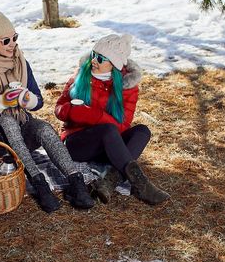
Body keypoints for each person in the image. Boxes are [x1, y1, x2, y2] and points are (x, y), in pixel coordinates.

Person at [0, 9, 94, 212]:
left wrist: (28, 100)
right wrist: (0, 102)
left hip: (21, 133)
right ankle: (40, 186)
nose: (12, 44)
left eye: (14, 37)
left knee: (42, 127)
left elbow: (39, 102)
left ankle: (77, 184)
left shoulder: (21, 62)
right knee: (7, 122)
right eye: (5, 40)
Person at [55, 33, 169, 205]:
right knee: (107, 129)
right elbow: (59, 109)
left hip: (109, 145)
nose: (94, 60)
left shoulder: (127, 87)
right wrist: (76, 111)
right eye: (94, 54)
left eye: (101, 58)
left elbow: (123, 126)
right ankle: (141, 185)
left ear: (114, 64)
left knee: (142, 131)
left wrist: (94, 115)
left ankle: (109, 181)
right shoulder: (80, 75)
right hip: (77, 143)